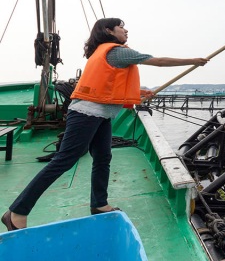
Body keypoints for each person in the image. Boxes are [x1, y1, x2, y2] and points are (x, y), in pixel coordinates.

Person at [1, 18, 209, 231]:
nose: (126, 30)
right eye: (121, 27)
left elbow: (107, 88)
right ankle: (17, 211)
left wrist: (139, 94)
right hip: (86, 114)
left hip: (100, 115)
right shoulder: (117, 51)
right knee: (64, 161)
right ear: (109, 31)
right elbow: (158, 61)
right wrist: (194, 60)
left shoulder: (101, 52)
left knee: (103, 157)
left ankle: (99, 204)